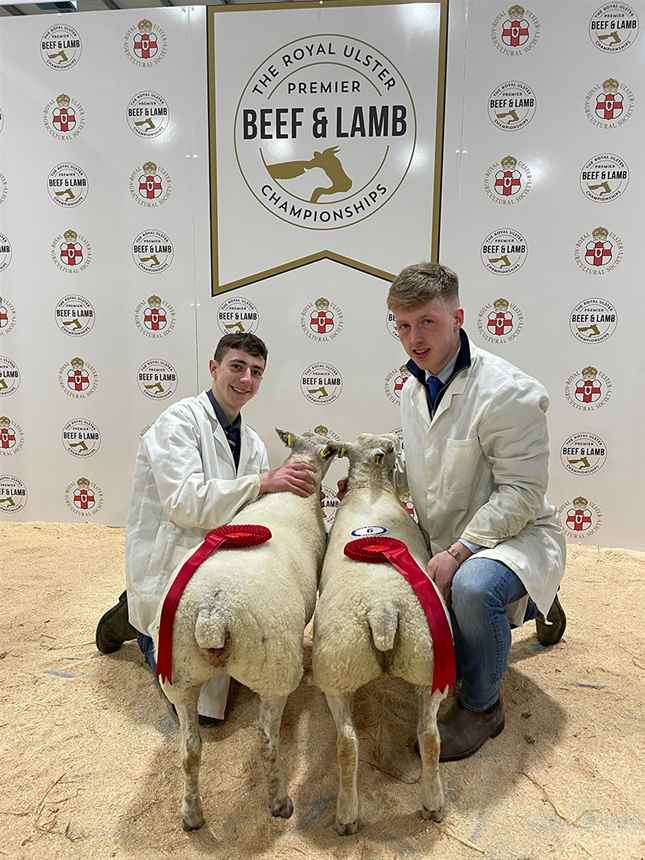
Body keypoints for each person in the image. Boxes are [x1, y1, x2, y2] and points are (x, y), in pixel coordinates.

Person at [385, 262, 566, 760]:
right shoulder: (413, 387)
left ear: (458, 317)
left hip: (518, 533)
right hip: (454, 531)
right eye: (403, 325)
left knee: (474, 587)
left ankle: (483, 708)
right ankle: (533, 602)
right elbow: (427, 465)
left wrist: (462, 550)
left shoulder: (508, 392)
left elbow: (523, 493)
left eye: (427, 322)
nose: (414, 338)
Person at [95, 332, 316, 724]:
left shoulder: (253, 444)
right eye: (236, 366)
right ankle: (134, 618)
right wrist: (264, 482)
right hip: (171, 562)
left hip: (218, 570)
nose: (246, 379)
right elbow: (185, 504)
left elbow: (251, 514)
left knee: (227, 679)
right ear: (214, 368)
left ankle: (138, 612)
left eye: (256, 372)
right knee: (203, 713)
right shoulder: (177, 423)